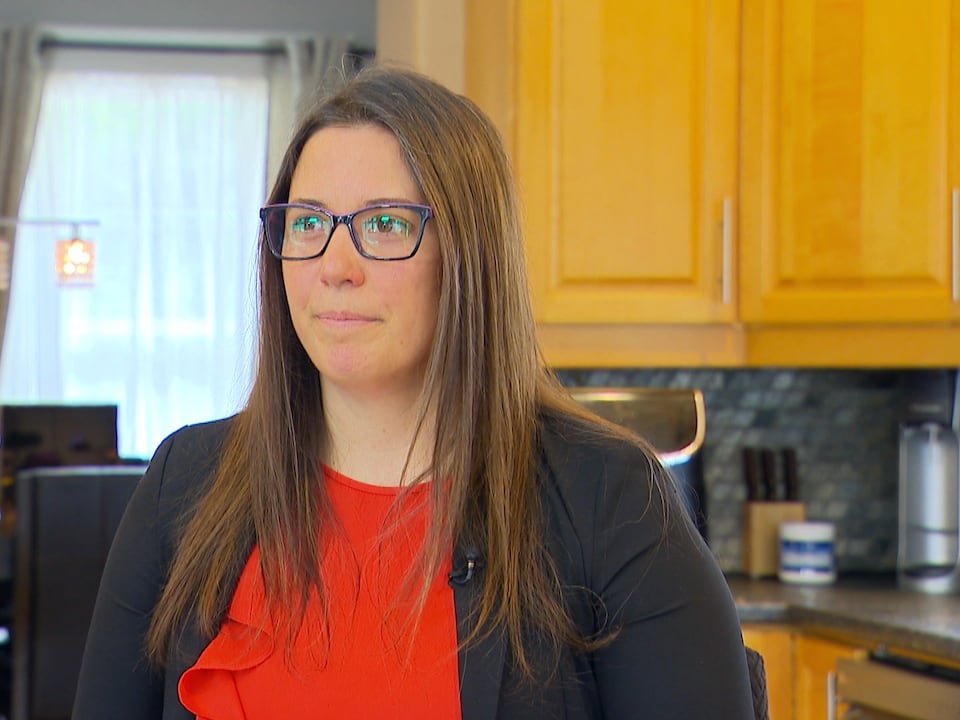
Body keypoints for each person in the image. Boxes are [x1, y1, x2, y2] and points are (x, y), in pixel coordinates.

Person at [72, 64, 754, 719]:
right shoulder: (181, 486)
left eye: (386, 224)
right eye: (307, 222)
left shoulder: (609, 499)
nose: (336, 266)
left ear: (468, 256)